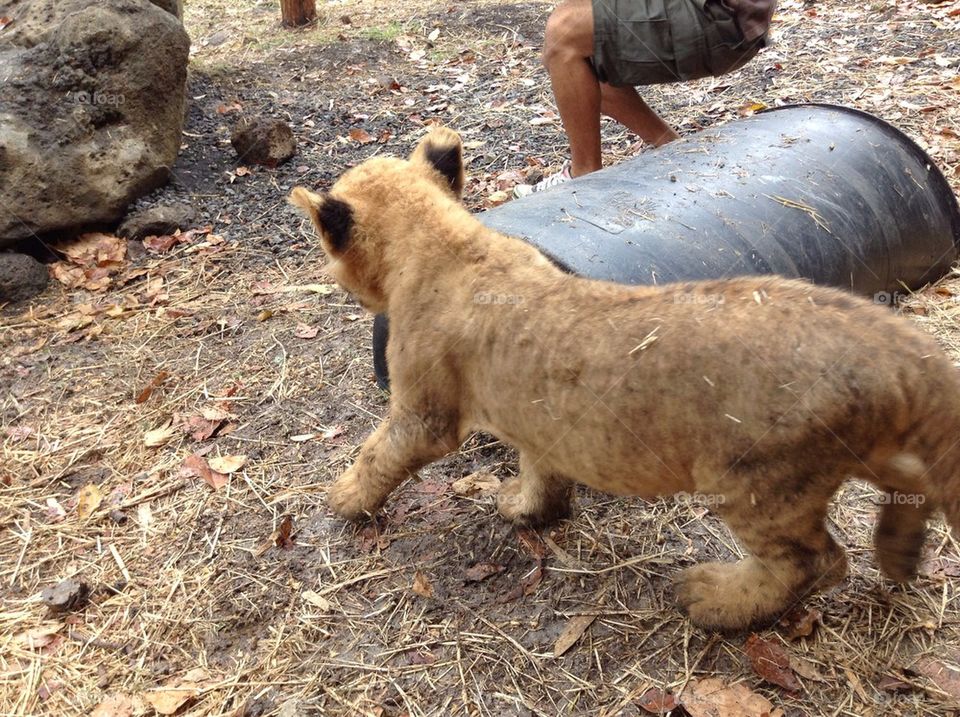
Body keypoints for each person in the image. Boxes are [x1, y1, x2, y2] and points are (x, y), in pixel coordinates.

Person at [515, 0, 776, 197]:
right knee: (576, 54)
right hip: (734, 18)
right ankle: (672, 148)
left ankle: (584, 175)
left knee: (566, 31)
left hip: (720, 17)